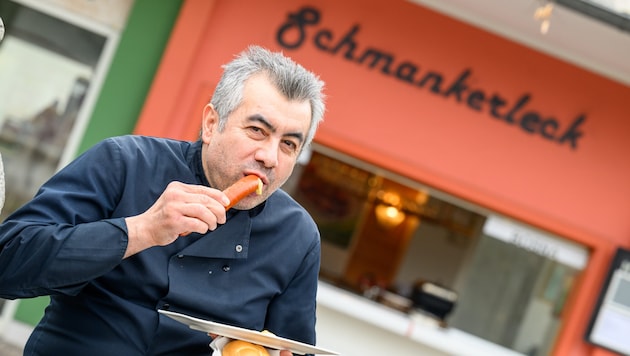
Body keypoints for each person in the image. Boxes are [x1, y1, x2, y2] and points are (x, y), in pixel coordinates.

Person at [0, 45, 326, 355]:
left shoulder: (298, 236)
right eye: (257, 130)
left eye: (288, 145)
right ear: (211, 124)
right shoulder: (123, 161)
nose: (269, 157)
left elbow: (290, 347)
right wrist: (142, 230)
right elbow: (9, 264)